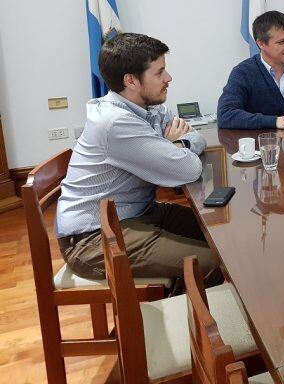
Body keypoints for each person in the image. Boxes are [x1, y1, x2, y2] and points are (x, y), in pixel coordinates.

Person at [55, 33, 221, 286]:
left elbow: (196, 136)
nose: (169, 78)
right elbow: (188, 168)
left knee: (223, 233)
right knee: (214, 264)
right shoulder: (115, 122)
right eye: (159, 72)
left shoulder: (149, 107)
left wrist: (177, 144)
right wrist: (174, 144)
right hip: (93, 238)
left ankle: (181, 299)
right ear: (131, 81)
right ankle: (180, 319)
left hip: (139, 213)